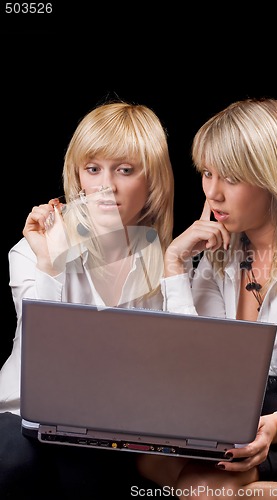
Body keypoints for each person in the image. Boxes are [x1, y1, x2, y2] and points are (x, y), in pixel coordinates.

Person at [137, 98, 277, 499]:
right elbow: (194, 365)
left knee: (205, 486)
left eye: (230, 178)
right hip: (244, 427)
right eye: (207, 174)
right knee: (144, 457)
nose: (212, 193)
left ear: (269, 175)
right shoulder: (221, 251)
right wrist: (174, 264)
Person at [0, 100, 174, 498]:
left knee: (95, 473)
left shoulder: (165, 266)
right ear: (78, 177)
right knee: (18, 461)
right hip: (23, 418)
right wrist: (49, 262)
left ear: (153, 181)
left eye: (124, 170)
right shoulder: (30, 252)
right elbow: (49, 357)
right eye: (92, 169)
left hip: (108, 430)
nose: (104, 186)